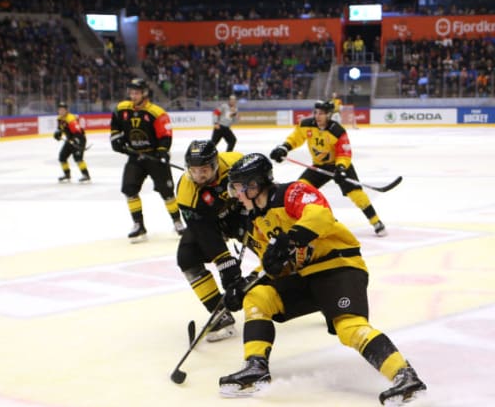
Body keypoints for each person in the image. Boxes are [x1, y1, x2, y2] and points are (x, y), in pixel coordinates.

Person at [219, 153, 427, 405]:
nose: (236, 194)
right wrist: (244, 285)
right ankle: (256, 367)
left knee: (348, 327)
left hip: (338, 265)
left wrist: (290, 239)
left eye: (239, 187)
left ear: (255, 185)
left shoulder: (293, 193)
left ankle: (405, 377)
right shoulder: (257, 219)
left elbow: (321, 216)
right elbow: (271, 262)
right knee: (258, 296)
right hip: (304, 276)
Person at [269, 100, 387, 236]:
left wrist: (341, 168)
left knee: (356, 194)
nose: (318, 116)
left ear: (329, 115)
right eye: (316, 113)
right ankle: (298, 224)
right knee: (300, 189)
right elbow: (295, 138)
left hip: (339, 166)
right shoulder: (306, 125)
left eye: (322, 113)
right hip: (319, 166)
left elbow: (344, 153)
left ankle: (376, 222)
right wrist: (284, 148)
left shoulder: (337, 131)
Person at [176, 140, 249, 342]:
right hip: (210, 223)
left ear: (215, 164)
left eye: (205, 170)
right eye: (194, 170)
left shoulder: (235, 162)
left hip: (240, 212)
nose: (199, 176)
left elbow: (261, 189)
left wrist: (250, 214)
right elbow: (202, 231)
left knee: (271, 248)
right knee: (187, 258)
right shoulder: (186, 191)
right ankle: (220, 315)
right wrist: (225, 262)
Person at [110, 77, 185, 242]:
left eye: (136, 92)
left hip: (154, 157)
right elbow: (115, 123)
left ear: (144, 93)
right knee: (129, 189)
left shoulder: (156, 112)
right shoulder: (122, 109)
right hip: (135, 157)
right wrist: (116, 138)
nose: (133, 95)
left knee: (167, 192)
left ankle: (177, 222)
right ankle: (138, 224)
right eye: (131, 92)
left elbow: (165, 135)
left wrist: (162, 152)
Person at [54, 101, 90, 183]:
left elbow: (78, 132)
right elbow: (60, 129)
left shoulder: (71, 119)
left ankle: (86, 175)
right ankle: (67, 175)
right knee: (62, 157)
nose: (61, 111)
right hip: (70, 140)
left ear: (67, 110)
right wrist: (58, 135)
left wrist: (76, 141)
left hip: (79, 139)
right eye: (60, 109)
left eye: (63, 109)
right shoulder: (59, 119)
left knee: (78, 158)